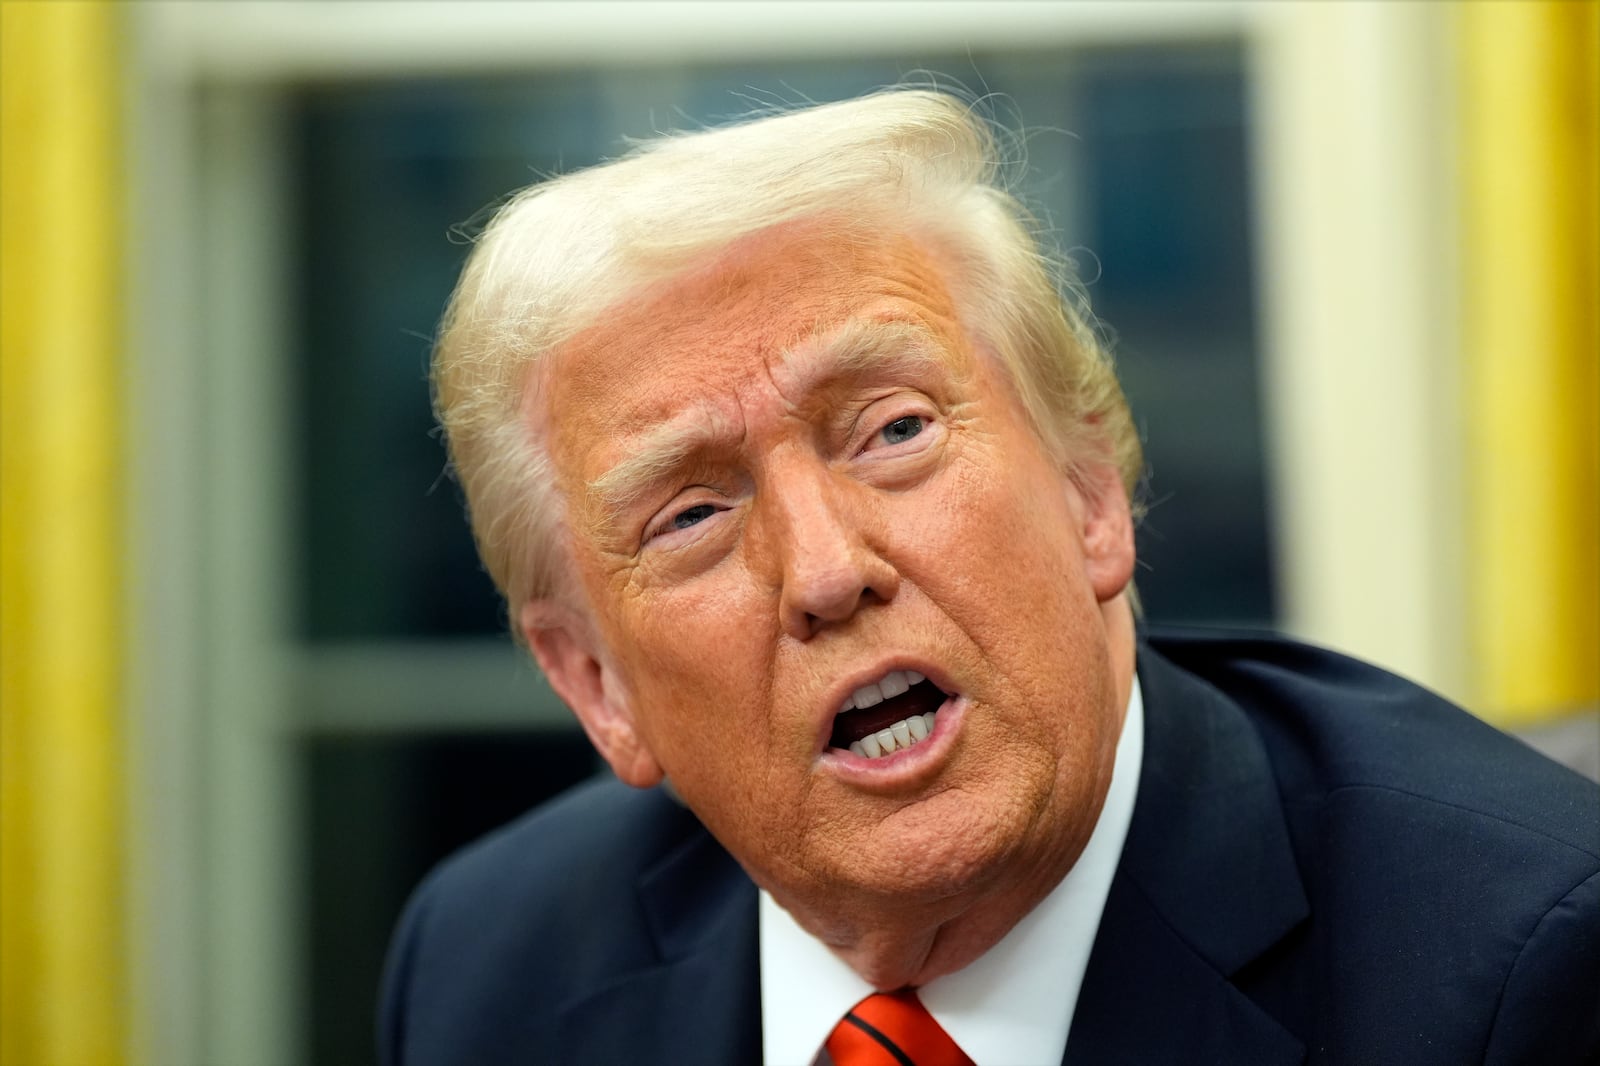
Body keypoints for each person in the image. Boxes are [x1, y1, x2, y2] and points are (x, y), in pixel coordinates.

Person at [379, 89, 1599, 1065]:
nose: (824, 570)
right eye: (693, 511)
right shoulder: (491, 964)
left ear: (1088, 496)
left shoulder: (1519, 964)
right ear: (594, 681)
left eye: (893, 430)